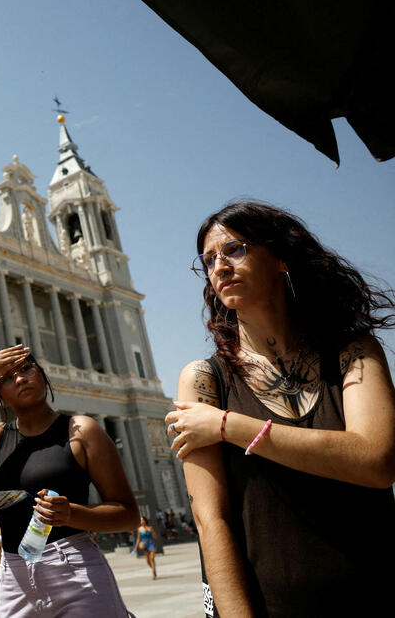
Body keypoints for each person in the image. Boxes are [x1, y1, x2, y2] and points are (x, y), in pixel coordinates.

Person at [165, 200, 395, 617]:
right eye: (208, 260)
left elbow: (376, 462)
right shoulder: (204, 380)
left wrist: (227, 425)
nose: (219, 267)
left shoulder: (353, 352)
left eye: (234, 249)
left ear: (281, 259)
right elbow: (211, 521)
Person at [0, 344, 138, 617]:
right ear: (0, 394)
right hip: (14, 578)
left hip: (72, 568)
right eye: (7, 378)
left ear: (41, 375)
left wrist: (72, 513)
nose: (20, 379)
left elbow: (128, 515)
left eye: (25, 369)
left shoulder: (81, 431)